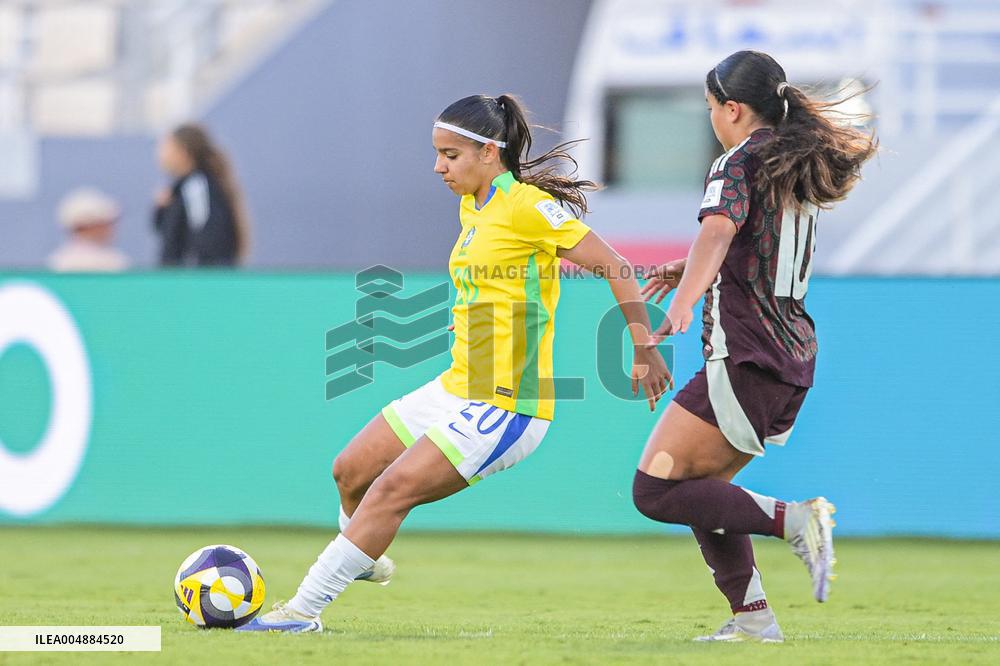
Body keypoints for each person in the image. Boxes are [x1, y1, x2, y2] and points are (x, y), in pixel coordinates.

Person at [238, 93, 672, 632]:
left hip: (510, 404)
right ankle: (363, 552)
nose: (437, 167)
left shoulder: (528, 208)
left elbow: (615, 264)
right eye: (438, 154)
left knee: (392, 491)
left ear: (490, 153)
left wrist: (642, 344)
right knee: (349, 471)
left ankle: (303, 612)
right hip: (456, 386)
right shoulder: (473, 205)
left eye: (450, 155)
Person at [633, 51, 877, 643]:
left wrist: (686, 298)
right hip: (787, 355)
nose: (713, 119)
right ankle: (753, 621)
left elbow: (718, 229)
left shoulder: (738, 159)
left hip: (746, 351)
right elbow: (747, 244)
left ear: (734, 109)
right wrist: (690, 269)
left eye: (713, 108)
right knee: (700, 492)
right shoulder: (793, 163)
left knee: (656, 490)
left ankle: (796, 520)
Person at [153, 124, 250, 266]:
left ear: (183, 151)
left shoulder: (196, 186)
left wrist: (195, 275)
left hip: (198, 281)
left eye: (166, 147)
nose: (160, 154)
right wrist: (162, 209)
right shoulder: (181, 189)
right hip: (183, 280)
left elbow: (205, 236)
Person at [48, 187, 130, 273]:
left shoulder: (115, 259)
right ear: (85, 226)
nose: (111, 228)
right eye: (103, 223)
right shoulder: (63, 263)